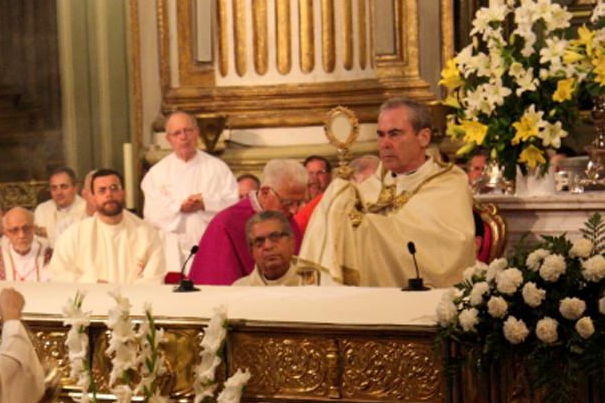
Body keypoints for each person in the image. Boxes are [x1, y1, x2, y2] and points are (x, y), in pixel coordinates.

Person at [298, 98, 475, 288]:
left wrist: (360, 226)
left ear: (423, 137)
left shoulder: (448, 183)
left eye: (394, 134)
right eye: (381, 135)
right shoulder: (371, 184)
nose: (385, 144)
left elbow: (445, 251)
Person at [141, 112, 238, 271]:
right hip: (170, 250)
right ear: (168, 139)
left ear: (197, 132)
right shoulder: (156, 174)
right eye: (177, 133)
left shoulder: (217, 168)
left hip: (209, 245)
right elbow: (152, 215)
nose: (183, 137)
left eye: (188, 131)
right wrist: (179, 207)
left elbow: (232, 205)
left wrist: (205, 203)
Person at [188, 159, 309, 285]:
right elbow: (220, 286)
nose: (295, 210)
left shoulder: (287, 220)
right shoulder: (226, 224)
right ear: (265, 192)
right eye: (287, 203)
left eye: (299, 203)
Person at [48, 169, 166, 284]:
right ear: (93, 198)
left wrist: (124, 297)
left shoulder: (146, 234)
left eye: (114, 188)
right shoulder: (74, 235)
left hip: (135, 301)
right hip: (91, 301)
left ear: (124, 193)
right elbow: (59, 274)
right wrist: (94, 284)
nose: (109, 194)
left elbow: (155, 277)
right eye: (102, 190)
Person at [0, 207, 49, 281]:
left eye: (26, 228)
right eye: (14, 230)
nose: (21, 235)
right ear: (6, 233)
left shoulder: (49, 255)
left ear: (33, 228)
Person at [232, 211, 305, 287]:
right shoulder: (240, 290)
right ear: (251, 252)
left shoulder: (314, 282)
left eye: (275, 237)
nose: (268, 246)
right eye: (259, 241)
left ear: (291, 242)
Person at [34, 168, 86, 242]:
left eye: (64, 187)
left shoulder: (86, 209)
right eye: (54, 188)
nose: (59, 192)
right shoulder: (42, 209)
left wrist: (48, 233)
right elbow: (36, 239)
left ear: (75, 188)